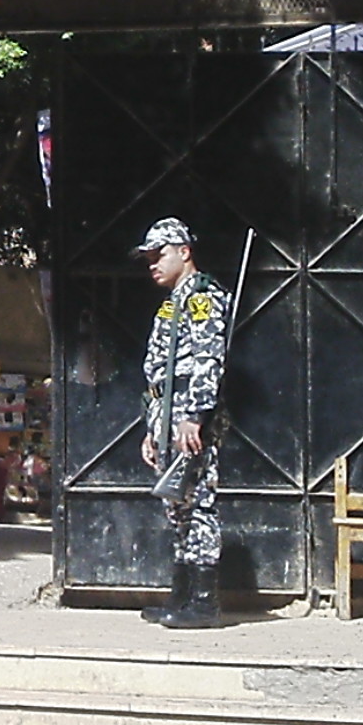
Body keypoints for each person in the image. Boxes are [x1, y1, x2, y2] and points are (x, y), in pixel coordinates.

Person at [135, 218, 231, 628]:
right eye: (149, 257)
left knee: (199, 503)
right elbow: (158, 372)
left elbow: (209, 358)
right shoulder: (173, 302)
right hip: (165, 411)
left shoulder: (201, 298)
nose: (152, 263)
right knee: (176, 505)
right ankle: (182, 595)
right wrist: (152, 426)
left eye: (160, 254)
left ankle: (204, 603)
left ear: (184, 251)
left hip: (188, 409)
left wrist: (195, 416)